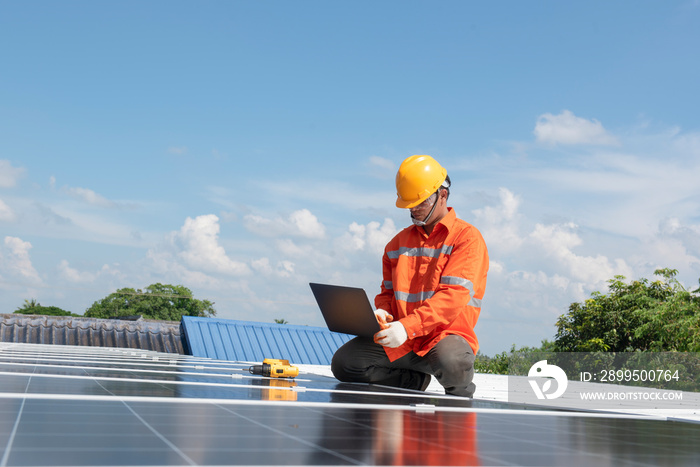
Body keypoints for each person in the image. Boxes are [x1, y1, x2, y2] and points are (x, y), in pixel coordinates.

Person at [331, 155, 489, 397]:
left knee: (453, 364)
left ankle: (460, 394)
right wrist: (383, 311)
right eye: (409, 204)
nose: (413, 209)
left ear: (443, 195)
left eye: (420, 202)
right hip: (402, 338)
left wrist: (407, 327)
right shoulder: (396, 244)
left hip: (442, 338)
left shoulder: (466, 239)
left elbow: (453, 298)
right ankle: (413, 382)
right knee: (345, 363)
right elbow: (387, 292)